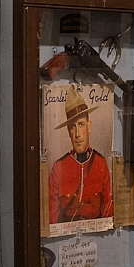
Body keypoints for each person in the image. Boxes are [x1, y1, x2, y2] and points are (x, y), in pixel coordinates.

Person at [48, 87, 114, 224]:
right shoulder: (58, 167)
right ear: (68, 132)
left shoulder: (100, 163)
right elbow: (51, 220)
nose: (77, 134)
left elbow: (108, 214)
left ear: (89, 127)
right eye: (72, 127)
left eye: (81, 124)